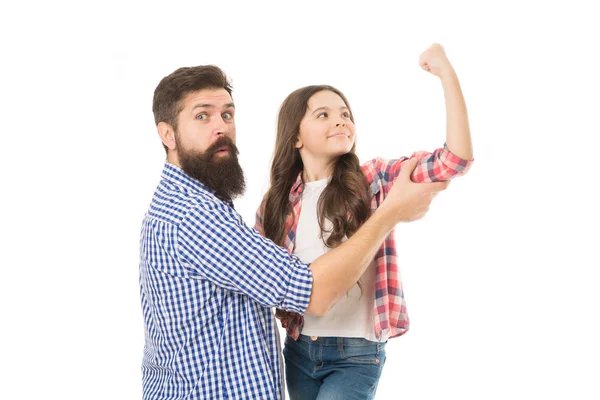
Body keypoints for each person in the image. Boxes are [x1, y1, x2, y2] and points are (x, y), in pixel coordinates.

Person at [139, 64, 448, 400]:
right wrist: (390, 213)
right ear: (167, 134)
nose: (221, 127)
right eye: (203, 116)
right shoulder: (196, 216)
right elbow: (312, 294)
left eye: (227, 114)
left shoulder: (183, 205)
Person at [254, 43, 474, 400]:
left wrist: (446, 73)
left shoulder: (373, 179)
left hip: (356, 355)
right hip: (297, 350)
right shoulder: (276, 203)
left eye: (344, 113)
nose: (341, 119)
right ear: (295, 136)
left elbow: (455, 160)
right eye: (323, 114)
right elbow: (260, 279)